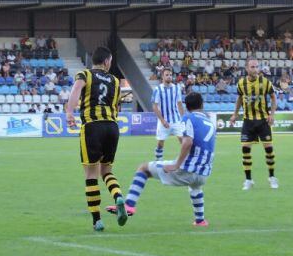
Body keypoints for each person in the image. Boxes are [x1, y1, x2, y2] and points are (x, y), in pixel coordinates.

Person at [107, 92, 214, 227]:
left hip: (188, 169)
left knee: (143, 168)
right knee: (195, 187)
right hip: (203, 173)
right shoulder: (209, 121)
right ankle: (200, 220)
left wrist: (176, 165)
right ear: (202, 104)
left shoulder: (188, 118)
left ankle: (129, 205)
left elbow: (187, 142)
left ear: (186, 106)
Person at [65, 46, 127, 232]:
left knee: (91, 175)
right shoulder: (115, 81)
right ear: (107, 61)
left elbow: (76, 89)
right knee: (106, 171)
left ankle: (97, 220)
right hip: (112, 127)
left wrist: (69, 112)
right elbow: (117, 108)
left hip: (92, 126)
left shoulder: (84, 74)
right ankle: (117, 197)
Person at [230, 58, 279, 190]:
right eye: (252, 67)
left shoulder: (265, 82)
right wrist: (235, 114)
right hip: (248, 121)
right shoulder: (241, 83)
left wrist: (272, 114)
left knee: (269, 150)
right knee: (245, 150)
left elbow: (274, 97)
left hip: (263, 121)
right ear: (247, 68)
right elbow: (239, 99)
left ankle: (272, 177)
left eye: (257, 67)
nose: (255, 69)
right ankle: (248, 180)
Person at [151, 68, 185, 162]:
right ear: (162, 76)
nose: (169, 76)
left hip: (176, 120)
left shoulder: (176, 88)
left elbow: (179, 104)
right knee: (160, 143)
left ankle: (185, 160)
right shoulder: (158, 89)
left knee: (183, 140)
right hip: (164, 121)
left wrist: (184, 118)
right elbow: (154, 106)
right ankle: (158, 161)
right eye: (167, 75)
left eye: (170, 74)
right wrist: (162, 120)